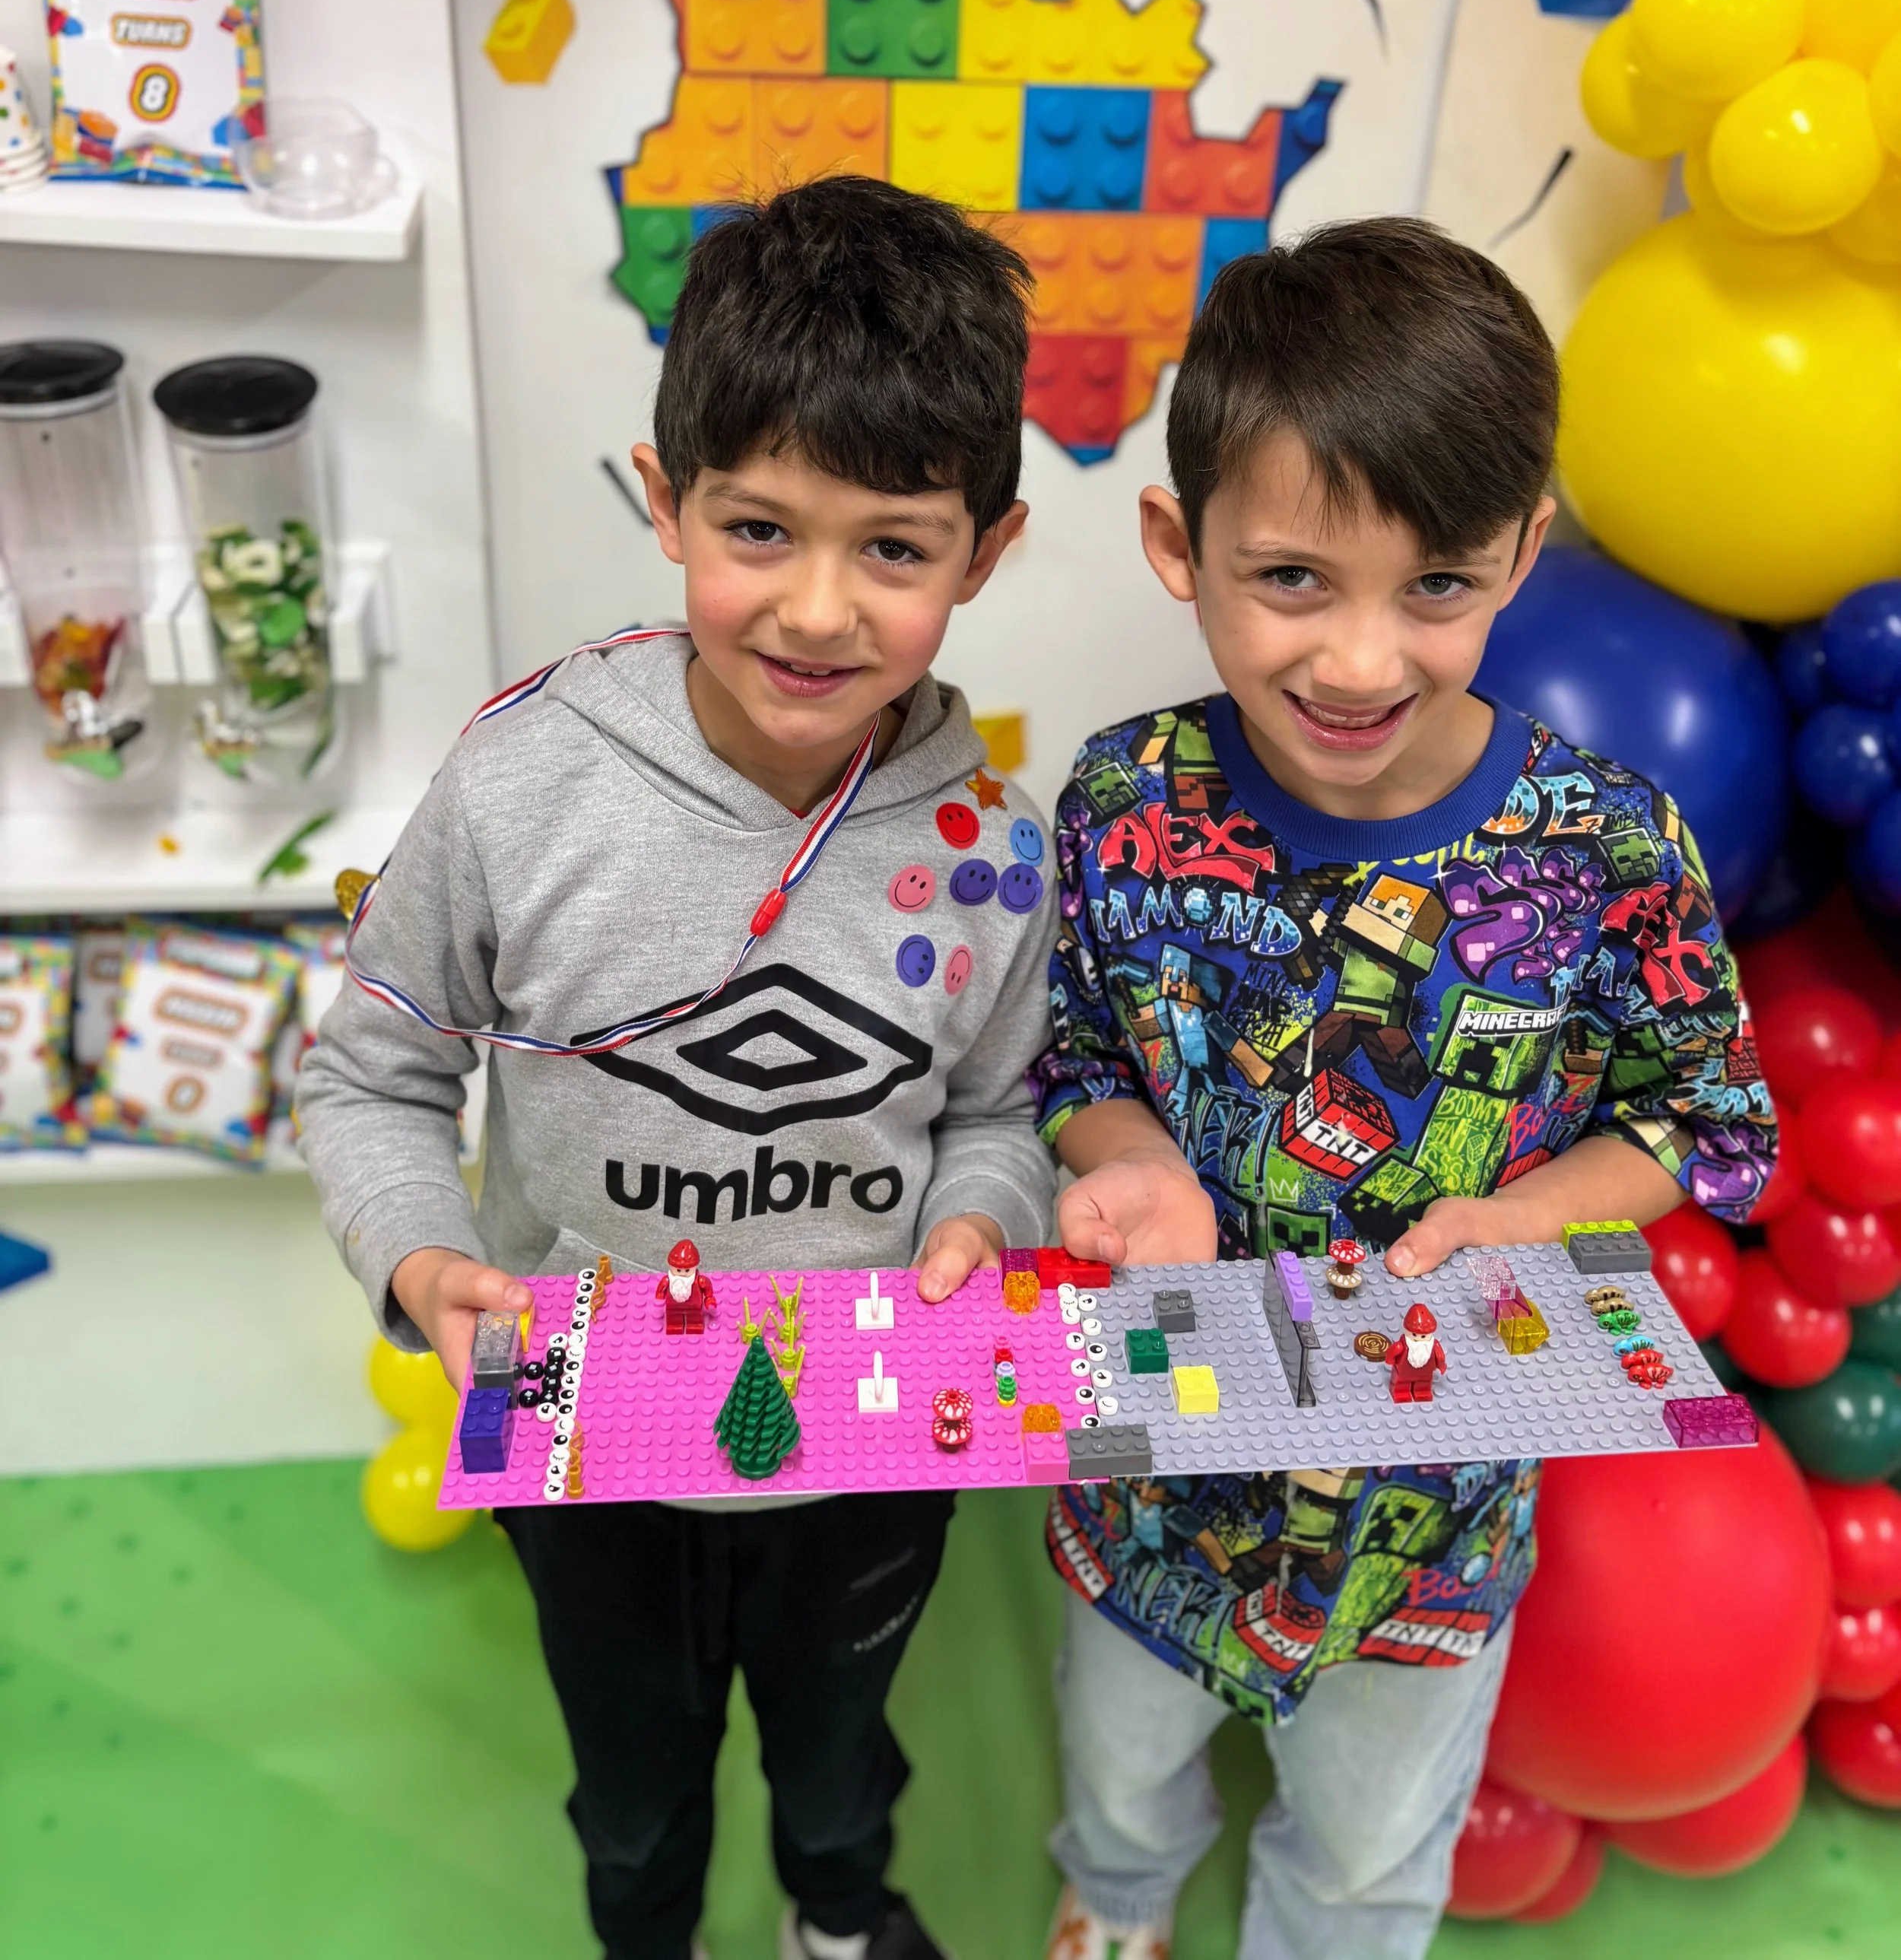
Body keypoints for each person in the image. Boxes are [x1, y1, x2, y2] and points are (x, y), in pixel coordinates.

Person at [297, 176, 1058, 1960]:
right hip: (578, 1430)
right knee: (633, 1782)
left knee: (837, 1757)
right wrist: (423, 1268)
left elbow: (996, 1111)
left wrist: (982, 1217)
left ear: (985, 551)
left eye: (894, 549)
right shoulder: (515, 787)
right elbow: (372, 1080)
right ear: (665, 500)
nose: (816, 609)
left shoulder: (996, 848)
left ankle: (837, 1914)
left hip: (868, 1434)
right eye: (757, 529)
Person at [1029, 218, 1776, 1960]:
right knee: (1119, 1777)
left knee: (1368, 1852)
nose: (1360, 662)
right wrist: (1129, 1156)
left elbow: (1701, 1118)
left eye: (1434, 585)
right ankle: (1116, 1904)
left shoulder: (1606, 846)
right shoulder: (1119, 803)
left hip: (1426, 1514)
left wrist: (1528, 1214)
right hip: (1151, 1490)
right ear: (1176, 546)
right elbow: (1070, 1054)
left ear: (1520, 552)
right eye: (1291, 580)